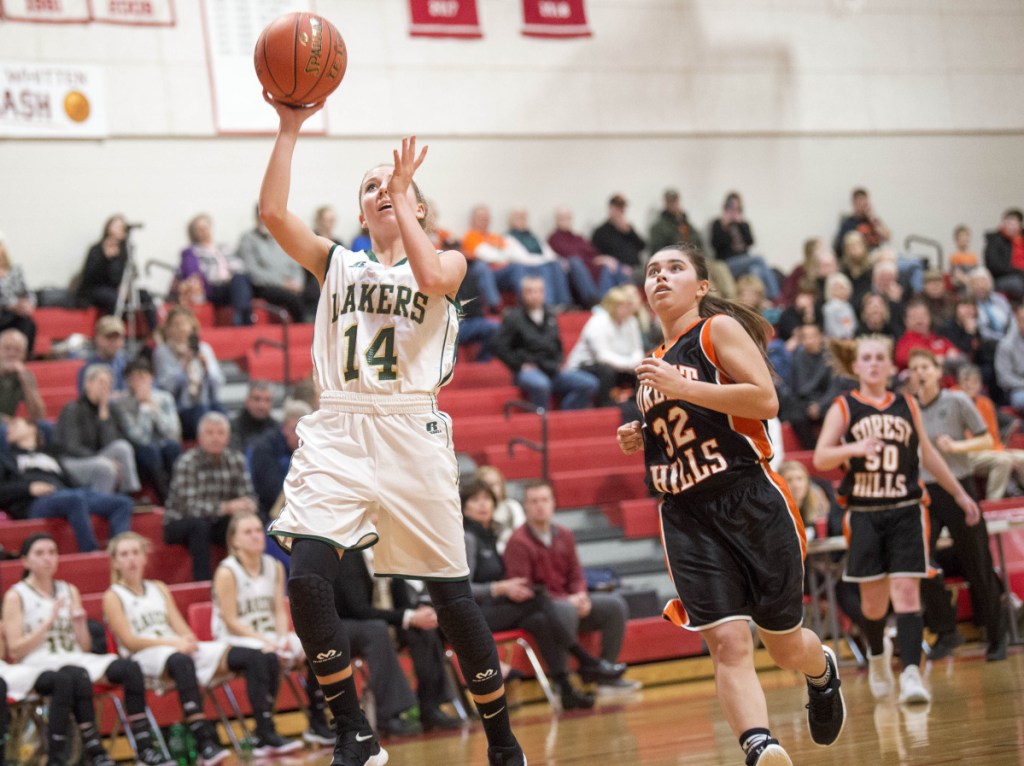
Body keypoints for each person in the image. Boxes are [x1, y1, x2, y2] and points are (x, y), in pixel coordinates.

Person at [259, 86, 525, 765]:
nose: (383, 189)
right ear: (356, 210)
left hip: (412, 430)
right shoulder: (337, 264)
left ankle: (501, 743)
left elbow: (433, 274)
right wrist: (290, 126)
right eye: (371, 186)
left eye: (395, 185)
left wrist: (405, 196)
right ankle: (354, 732)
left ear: (419, 208)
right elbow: (271, 213)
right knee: (307, 577)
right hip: (341, 426)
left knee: (451, 597)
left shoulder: (449, 261)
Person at [616, 243, 845, 765]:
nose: (660, 276)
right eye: (652, 270)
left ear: (701, 286)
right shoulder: (653, 364)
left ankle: (821, 670)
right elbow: (687, 422)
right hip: (686, 513)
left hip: (749, 498)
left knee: (784, 647)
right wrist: (644, 432)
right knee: (727, 642)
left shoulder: (716, 332)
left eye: (674, 268)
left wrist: (679, 389)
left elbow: (765, 401)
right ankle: (760, 747)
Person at [813, 336, 981, 707]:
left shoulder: (907, 404)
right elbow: (822, 457)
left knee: (907, 593)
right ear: (856, 366)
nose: (873, 364)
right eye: (866, 358)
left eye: (880, 358)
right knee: (873, 605)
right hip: (866, 514)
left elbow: (929, 456)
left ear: (890, 366)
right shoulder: (845, 406)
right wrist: (853, 448)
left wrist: (960, 494)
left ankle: (910, 674)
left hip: (906, 508)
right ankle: (877, 655)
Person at [104, 532, 299, 761]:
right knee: (180, 660)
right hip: (143, 656)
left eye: (136, 552)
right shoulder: (113, 595)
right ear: (115, 562)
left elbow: (180, 626)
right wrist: (175, 643)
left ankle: (264, 732)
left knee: (258, 656)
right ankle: (202, 739)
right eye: (124, 555)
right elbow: (129, 641)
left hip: (175, 650)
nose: (132, 559)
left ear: (145, 557)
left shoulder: (158, 588)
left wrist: (187, 639)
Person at [2, 533, 170, 766]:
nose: (47, 558)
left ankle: (144, 748)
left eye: (52, 552)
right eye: (40, 553)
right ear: (25, 561)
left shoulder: (68, 590)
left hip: (73, 656)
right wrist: (47, 623)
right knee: (74, 675)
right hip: (38, 662)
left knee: (130, 669)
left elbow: (85, 647)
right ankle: (89, 751)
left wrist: (80, 624)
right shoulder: (16, 595)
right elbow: (16, 650)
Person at [461, 479, 625, 710]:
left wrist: (580, 595)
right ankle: (586, 662)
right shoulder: (468, 538)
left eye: (487, 499)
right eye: (475, 500)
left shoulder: (490, 535)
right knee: (540, 600)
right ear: (464, 506)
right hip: (476, 617)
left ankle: (565, 687)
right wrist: (499, 588)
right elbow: (460, 589)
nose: (483, 505)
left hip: (501, 608)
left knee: (540, 619)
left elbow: (577, 574)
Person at [907, 349, 1009, 662]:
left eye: (926, 366)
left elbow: (986, 440)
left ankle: (997, 636)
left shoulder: (957, 401)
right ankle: (946, 630)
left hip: (959, 486)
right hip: (926, 493)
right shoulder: (908, 409)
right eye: (914, 368)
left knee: (977, 564)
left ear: (938, 371)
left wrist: (957, 446)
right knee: (918, 560)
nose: (920, 373)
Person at [503, 481, 639, 696]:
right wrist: (568, 601)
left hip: (569, 602)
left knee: (614, 605)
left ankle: (603, 673)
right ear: (525, 507)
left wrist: (580, 595)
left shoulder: (565, 535)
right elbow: (526, 590)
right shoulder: (518, 542)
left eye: (545, 500)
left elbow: (576, 574)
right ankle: (563, 681)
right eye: (534, 501)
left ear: (553, 504)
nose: (540, 506)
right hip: (541, 610)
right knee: (563, 610)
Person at [210, 514, 333, 746]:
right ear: (234, 541)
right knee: (264, 656)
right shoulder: (227, 571)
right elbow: (230, 620)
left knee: (316, 648)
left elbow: (279, 610)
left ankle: (318, 721)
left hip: (268, 636)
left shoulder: (274, 566)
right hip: (234, 639)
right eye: (248, 532)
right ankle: (264, 730)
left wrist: (280, 637)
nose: (257, 535)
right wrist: (267, 641)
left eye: (258, 530)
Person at [333, 544, 464, 735]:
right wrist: (408, 617)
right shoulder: (349, 556)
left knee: (424, 628)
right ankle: (390, 715)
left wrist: (417, 613)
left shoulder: (390, 552)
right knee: (377, 630)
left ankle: (430, 707)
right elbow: (358, 609)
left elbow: (403, 603)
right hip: (348, 626)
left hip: (382, 622)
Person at [0, 417, 133, 552]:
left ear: (31, 428)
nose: (8, 429)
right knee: (74, 499)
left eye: (15, 424)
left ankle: (120, 551)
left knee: (122, 502)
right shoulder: (5, 458)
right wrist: (29, 488)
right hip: (35, 502)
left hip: (65, 493)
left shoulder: (50, 456)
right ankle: (91, 553)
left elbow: (71, 483)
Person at [0, 623, 118, 766]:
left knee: (68, 679)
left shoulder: (66, 602)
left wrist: (78, 619)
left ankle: (59, 757)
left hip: (53, 661)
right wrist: (48, 622)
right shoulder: (17, 600)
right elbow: (14, 651)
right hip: (35, 659)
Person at [163, 412, 257, 581]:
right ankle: (203, 583)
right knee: (200, 527)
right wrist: (227, 507)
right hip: (180, 521)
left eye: (220, 433)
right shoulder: (187, 462)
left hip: (217, 521)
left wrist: (247, 506)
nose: (215, 438)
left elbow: (249, 495)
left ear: (228, 437)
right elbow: (189, 507)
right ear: (199, 437)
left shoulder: (236, 460)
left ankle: (245, 577)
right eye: (210, 433)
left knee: (243, 523)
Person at [492, 275, 599, 411]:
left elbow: (557, 342)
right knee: (541, 384)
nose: (535, 295)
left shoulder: (550, 314)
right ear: (523, 294)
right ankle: (543, 420)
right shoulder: (513, 317)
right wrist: (519, 365)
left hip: (552, 368)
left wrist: (560, 361)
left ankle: (566, 413)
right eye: (530, 291)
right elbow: (499, 347)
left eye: (538, 291)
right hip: (530, 369)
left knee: (589, 383)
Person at [57, 364, 141, 495]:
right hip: (72, 461)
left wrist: (104, 416)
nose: (105, 387)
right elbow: (71, 446)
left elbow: (112, 443)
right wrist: (100, 457)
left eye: (109, 384)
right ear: (87, 384)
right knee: (105, 467)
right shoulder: (73, 409)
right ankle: (101, 502)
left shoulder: (111, 409)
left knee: (122, 447)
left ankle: (130, 493)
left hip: (96, 456)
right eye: (101, 382)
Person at [113, 357, 182, 504]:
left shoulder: (164, 398)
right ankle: (166, 500)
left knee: (173, 447)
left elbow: (173, 432)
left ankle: (178, 495)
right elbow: (139, 438)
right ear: (127, 382)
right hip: (139, 454)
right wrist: (143, 408)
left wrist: (154, 409)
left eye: (143, 377)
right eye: (134, 378)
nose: (139, 382)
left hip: (163, 446)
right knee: (149, 451)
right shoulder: (122, 404)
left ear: (151, 377)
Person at [565, 286, 645, 407]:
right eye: (623, 305)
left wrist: (636, 363)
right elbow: (602, 356)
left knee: (642, 371)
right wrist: (629, 364)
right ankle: (604, 405)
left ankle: (636, 403)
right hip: (584, 365)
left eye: (628, 305)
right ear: (613, 306)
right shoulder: (598, 322)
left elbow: (637, 349)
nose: (627, 309)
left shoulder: (631, 321)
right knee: (606, 371)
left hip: (620, 363)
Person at [152, 306, 225, 441]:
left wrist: (206, 367)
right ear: (168, 329)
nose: (181, 328)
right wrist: (183, 367)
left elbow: (218, 383)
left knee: (220, 412)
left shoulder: (204, 349)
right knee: (202, 413)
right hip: (179, 409)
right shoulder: (162, 352)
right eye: (176, 324)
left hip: (206, 401)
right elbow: (166, 388)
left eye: (184, 323)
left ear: (192, 326)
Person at [77, 215, 157, 333]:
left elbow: (130, 274)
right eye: (117, 225)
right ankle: (112, 333)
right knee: (114, 299)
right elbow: (90, 276)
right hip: (97, 288)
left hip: (118, 288)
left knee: (144, 295)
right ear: (108, 227)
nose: (121, 229)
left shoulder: (126, 251)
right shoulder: (97, 249)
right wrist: (106, 258)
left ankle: (155, 333)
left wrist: (125, 287)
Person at [959, 364, 1024, 500]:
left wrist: (1000, 450)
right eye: (966, 381)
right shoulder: (953, 402)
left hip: (987, 451)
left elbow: (993, 437)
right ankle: (994, 502)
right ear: (960, 383)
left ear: (980, 385)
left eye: (974, 381)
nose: (970, 385)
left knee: (1021, 457)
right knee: (1003, 461)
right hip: (964, 454)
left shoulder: (986, 403)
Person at [176, 214, 253, 326]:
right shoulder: (191, 252)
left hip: (232, 284)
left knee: (240, 279)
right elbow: (194, 274)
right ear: (194, 232)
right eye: (199, 229)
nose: (204, 232)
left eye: (206, 228)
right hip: (213, 287)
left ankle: (240, 315)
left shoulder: (224, 248)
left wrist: (230, 277)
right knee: (239, 284)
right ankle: (242, 317)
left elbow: (240, 267)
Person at [237, 204, 310, 322]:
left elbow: (296, 264)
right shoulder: (248, 239)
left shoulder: (284, 237)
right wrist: (282, 283)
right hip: (265, 287)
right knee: (293, 299)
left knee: (314, 292)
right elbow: (252, 271)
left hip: (292, 284)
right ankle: (302, 332)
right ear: (257, 217)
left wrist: (298, 282)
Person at [547, 206, 632, 297]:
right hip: (578, 273)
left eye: (568, 218)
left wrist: (606, 259)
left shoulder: (578, 237)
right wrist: (595, 260)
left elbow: (593, 253)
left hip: (593, 266)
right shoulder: (553, 238)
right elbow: (568, 255)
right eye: (562, 218)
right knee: (576, 262)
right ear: (556, 220)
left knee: (614, 265)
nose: (565, 221)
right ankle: (595, 298)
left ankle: (627, 296)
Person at [247, 399, 311, 520]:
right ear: (284, 428)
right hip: (269, 513)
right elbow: (272, 492)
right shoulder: (264, 448)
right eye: (295, 430)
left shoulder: (313, 448)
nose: (301, 436)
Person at [710, 192, 779, 300]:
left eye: (737, 208)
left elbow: (750, 241)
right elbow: (715, 245)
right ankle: (775, 296)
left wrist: (741, 224)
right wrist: (724, 227)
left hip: (744, 262)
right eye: (731, 207)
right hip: (728, 262)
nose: (734, 211)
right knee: (759, 259)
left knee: (755, 270)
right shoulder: (718, 224)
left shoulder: (743, 224)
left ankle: (759, 302)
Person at [473, 466, 526, 555]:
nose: (492, 489)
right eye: (488, 485)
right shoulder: (475, 510)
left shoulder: (512, 506)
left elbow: (521, 535)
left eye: (496, 484)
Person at [0, 230, 37, 355]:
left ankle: (23, 359)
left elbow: (28, 292)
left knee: (27, 323)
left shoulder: (15, 270)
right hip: (3, 313)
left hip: (16, 315)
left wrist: (28, 304)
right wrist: (12, 305)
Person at [590, 194, 646, 274]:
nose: (620, 211)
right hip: (616, 271)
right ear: (610, 209)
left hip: (636, 268)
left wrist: (629, 232)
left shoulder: (628, 228)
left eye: (622, 208)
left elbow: (642, 246)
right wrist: (619, 267)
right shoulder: (601, 232)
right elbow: (597, 257)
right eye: (617, 208)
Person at [777, 461, 833, 540]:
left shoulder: (818, 500)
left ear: (807, 481)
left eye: (800, 479)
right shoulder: (775, 508)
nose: (796, 485)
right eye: (789, 480)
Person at [76, 315, 129, 395]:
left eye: (117, 338)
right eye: (109, 337)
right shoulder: (88, 369)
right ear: (98, 338)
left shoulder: (129, 363)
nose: (113, 342)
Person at [0, 328, 45, 420]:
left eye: (17, 350)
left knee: (45, 427)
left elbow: (39, 415)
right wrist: (11, 422)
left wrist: (26, 381)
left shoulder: (24, 375)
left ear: (24, 355)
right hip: (6, 425)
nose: (11, 354)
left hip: (9, 427)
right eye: (7, 348)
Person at [833, 187, 891, 256]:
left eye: (865, 201)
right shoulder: (848, 223)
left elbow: (887, 237)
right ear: (854, 203)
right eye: (860, 201)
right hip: (860, 257)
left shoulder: (874, 221)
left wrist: (873, 220)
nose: (863, 204)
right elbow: (840, 246)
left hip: (877, 255)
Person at [983, 208, 1024, 300]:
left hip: (1021, 276)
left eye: (1014, 223)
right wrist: (1019, 272)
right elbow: (995, 266)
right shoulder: (995, 240)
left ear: (1020, 225)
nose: (1010, 226)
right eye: (1008, 223)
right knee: (1017, 284)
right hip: (1003, 278)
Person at [229, 381, 278, 453]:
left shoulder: (277, 429)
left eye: (267, 400)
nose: (262, 406)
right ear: (247, 401)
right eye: (257, 399)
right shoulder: (232, 428)